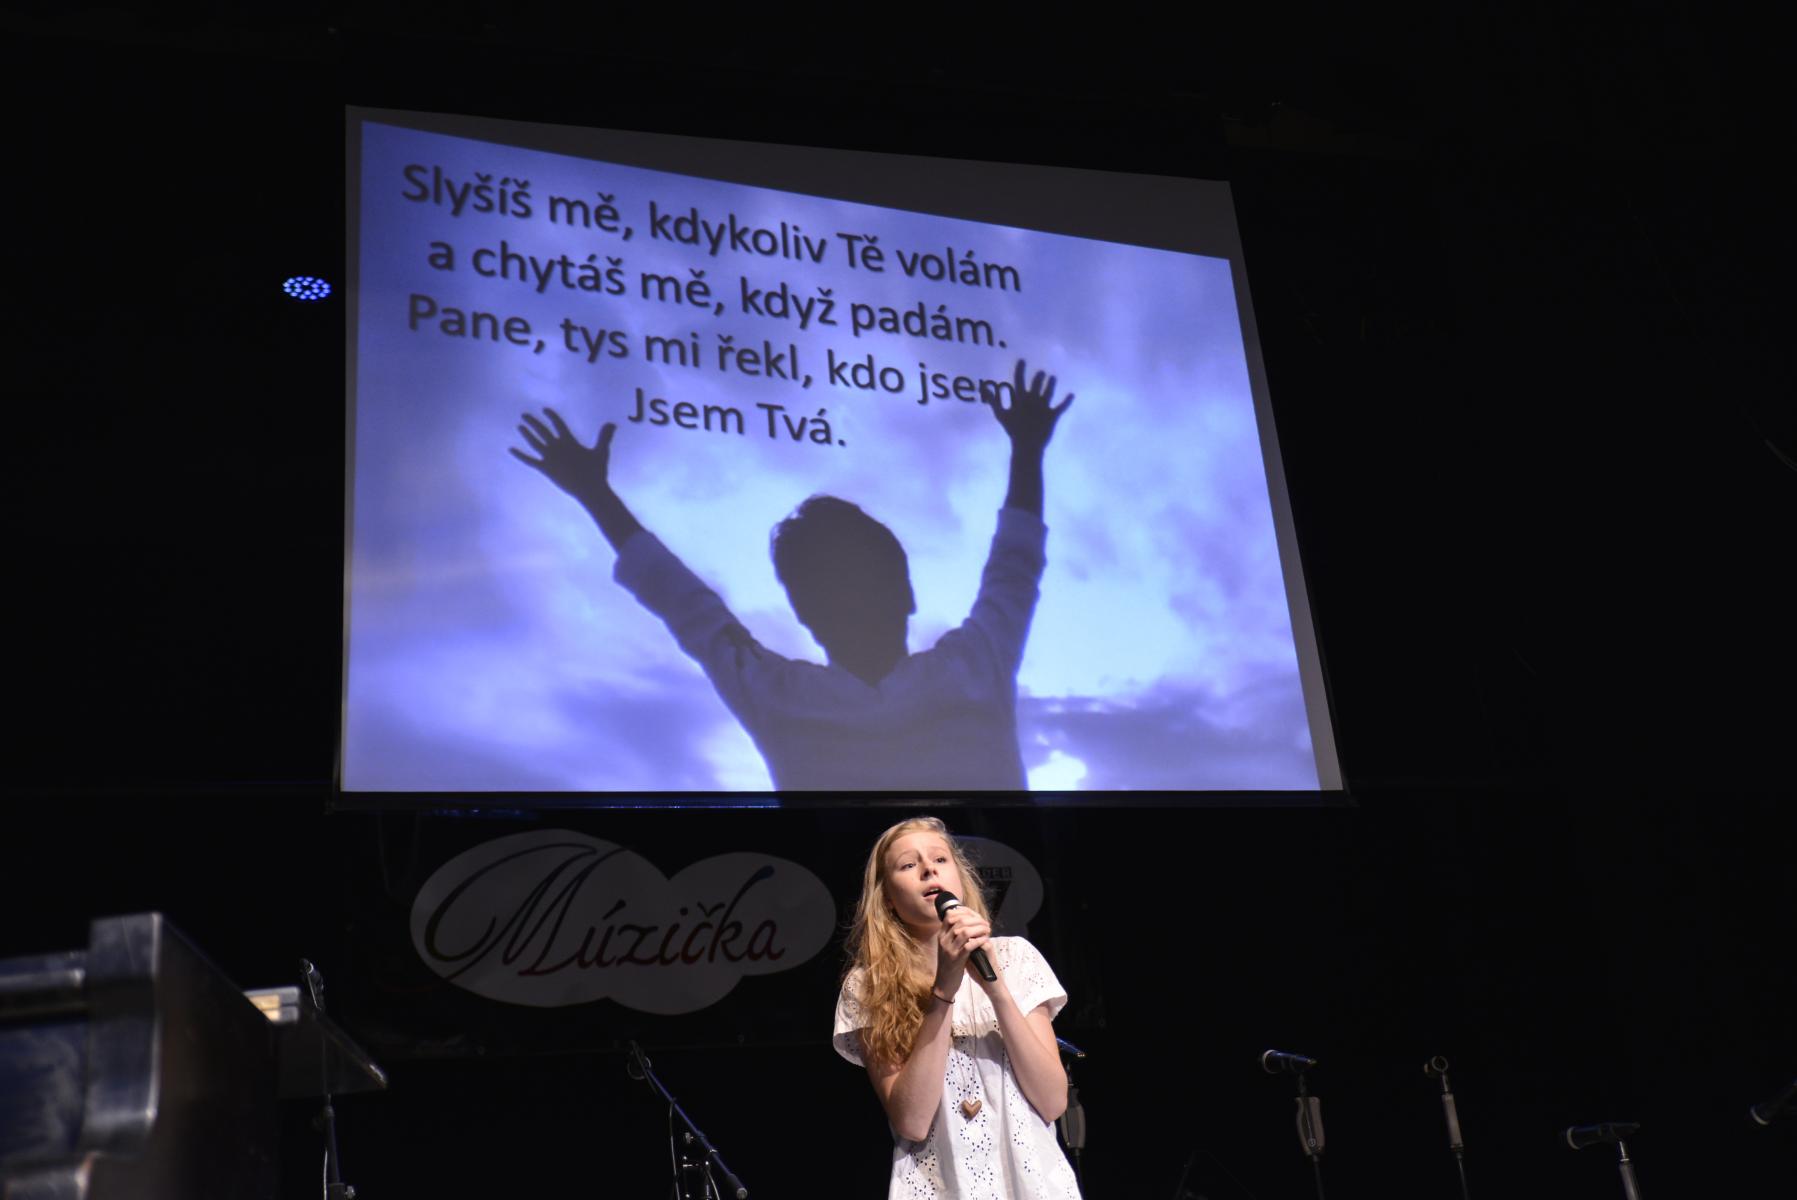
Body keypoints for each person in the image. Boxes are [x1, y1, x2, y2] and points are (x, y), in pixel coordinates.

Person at [509, 360, 1072, 791]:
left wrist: (596, 494)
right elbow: (1014, 567)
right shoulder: (972, 664)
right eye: (832, 585)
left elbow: (687, 606)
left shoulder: (778, 693)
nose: (852, 598)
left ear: (904, 590)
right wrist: (1026, 449)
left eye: (860, 578)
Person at [832, 816, 1081, 1199]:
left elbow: (1052, 1101)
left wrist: (996, 989)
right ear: (887, 899)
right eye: (908, 864)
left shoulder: (1015, 958)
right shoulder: (869, 985)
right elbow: (912, 1122)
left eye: (940, 859)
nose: (928, 869)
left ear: (960, 880)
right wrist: (944, 991)